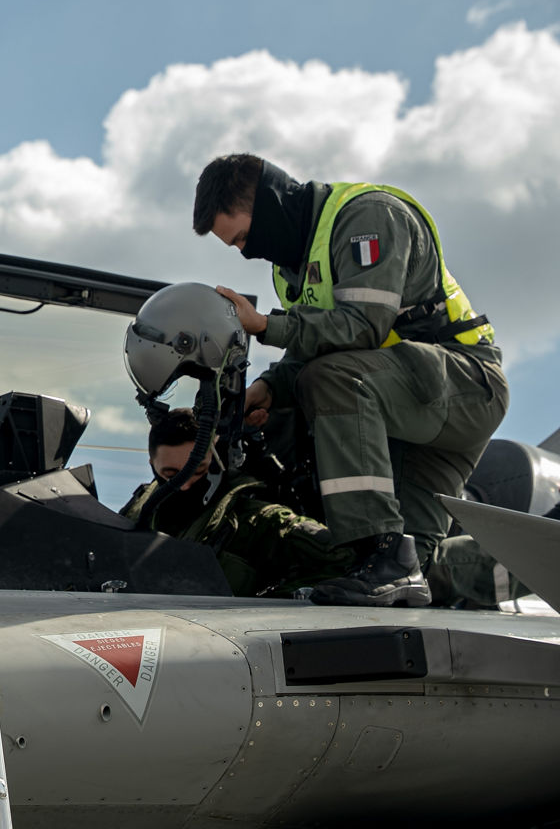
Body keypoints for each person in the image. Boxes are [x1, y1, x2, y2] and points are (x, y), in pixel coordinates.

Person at [194, 153, 509, 606]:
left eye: (244, 236)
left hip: (463, 386)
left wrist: (265, 326)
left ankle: (376, 544)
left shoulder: (369, 217)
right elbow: (315, 349)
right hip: (409, 406)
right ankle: (400, 561)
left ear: (268, 205)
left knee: (331, 382)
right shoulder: (292, 271)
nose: (246, 251)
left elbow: (363, 327)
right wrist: (271, 388)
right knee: (410, 576)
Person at [121, 408, 354, 597]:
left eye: (197, 471)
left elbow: (346, 560)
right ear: (151, 462)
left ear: (215, 462)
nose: (184, 485)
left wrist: (277, 601)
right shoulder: (137, 512)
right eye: (171, 475)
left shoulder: (259, 521)